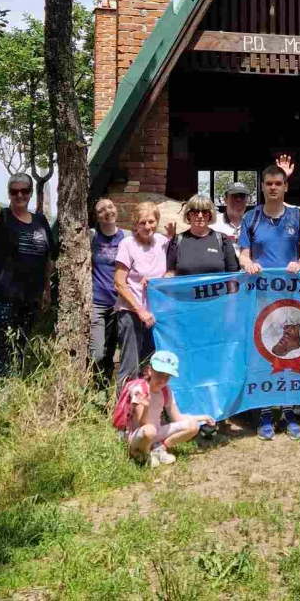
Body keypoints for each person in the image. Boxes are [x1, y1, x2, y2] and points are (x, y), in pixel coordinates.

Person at [238, 163, 300, 441]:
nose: (273, 188)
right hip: (261, 298)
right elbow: (243, 255)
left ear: (285, 187)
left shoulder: (297, 216)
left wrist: (299, 264)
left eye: (277, 183)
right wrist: (248, 264)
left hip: (291, 298)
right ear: (262, 187)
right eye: (268, 183)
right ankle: (265, 412)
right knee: (264, 352)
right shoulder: (251, 217)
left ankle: (289, 412)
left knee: (290, 352)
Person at [0, 158, 54, 379]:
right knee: (4, 348)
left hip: (31, 297)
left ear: (30, 193)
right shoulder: (3, 217)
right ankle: (2, 391)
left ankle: (14, 387)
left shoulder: (41, 221)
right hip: (4, 296)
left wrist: (46, 289)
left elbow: (47, 259)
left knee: (20, 345)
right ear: (9, 194)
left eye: (24, 191)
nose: (19, 195)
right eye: (14, 192)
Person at [114, 201, 171, 394]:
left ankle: (147, 408)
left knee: (150, 366)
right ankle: (124, 410)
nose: (147, 227)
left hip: (155, 314)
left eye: (151, 221)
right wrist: (140, 310)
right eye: (142, 222)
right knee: (130, 367)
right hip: (131, 313)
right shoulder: (127, 245)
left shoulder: (163, 242)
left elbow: (172, 270)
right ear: (135, 224)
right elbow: (119, 282)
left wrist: (163, 278)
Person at [121, 351, 214, 467]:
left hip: (156, 432)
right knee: (150, 430)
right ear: (150, 371)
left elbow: (177, 418)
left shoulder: (166, 390)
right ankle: (142, 454)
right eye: (160, 374)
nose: (163, 380)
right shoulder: (139, 390)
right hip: (138, 436)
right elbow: (142, 423)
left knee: (193, 426)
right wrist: (146, 407)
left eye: (167, 376)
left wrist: (204, 418)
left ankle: (160, 449)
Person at [90, 198, 130, 386]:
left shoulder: (127, 237)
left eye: (110, 207)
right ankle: (93, 382)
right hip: (96, 302)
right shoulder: (91, 236)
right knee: (97, 353)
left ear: (116, 209)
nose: (107, 212)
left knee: (111, 350)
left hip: (119, 303)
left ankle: (102, 389)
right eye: (101, 210)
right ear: (97, 217)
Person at [167, 194, 239, 275]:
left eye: (205, 212)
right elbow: (170, 273)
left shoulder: (223, 239)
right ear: (188, 214)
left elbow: (233, 274)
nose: (200, 216)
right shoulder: (176, 241)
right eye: (195, 212)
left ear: (210, 215)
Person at [213, 181, 252, 254]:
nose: (238, 199)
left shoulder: (254, 224)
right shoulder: (214, 223)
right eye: (234, 196)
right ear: (225, 199)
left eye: (242, 196)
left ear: (247, 200)